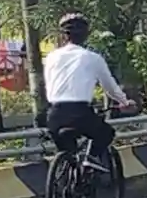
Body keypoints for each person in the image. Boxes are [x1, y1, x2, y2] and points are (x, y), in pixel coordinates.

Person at [43, 13, 134, 174]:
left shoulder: (51, 57)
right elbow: (110, 87)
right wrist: (124, 102)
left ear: (63, 35)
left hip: (54, 115)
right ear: (86, 35)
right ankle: (90, 159)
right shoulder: (92, 58)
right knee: (106, 133)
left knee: (68, 153)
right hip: (80, 114)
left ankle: (66, 184)